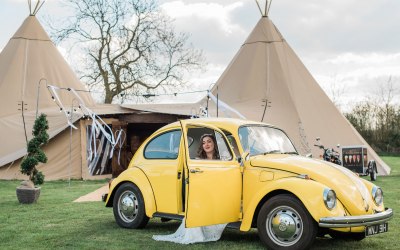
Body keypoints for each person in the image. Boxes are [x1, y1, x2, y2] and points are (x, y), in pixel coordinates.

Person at [152, 133, 226, 244]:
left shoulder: (224, 159)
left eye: (209, 141)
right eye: (203, 142)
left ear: (214, 143)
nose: (206, 144)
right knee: (197, 204)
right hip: (205, 191)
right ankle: (197, 234)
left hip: (219, 191)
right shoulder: (198, 160)